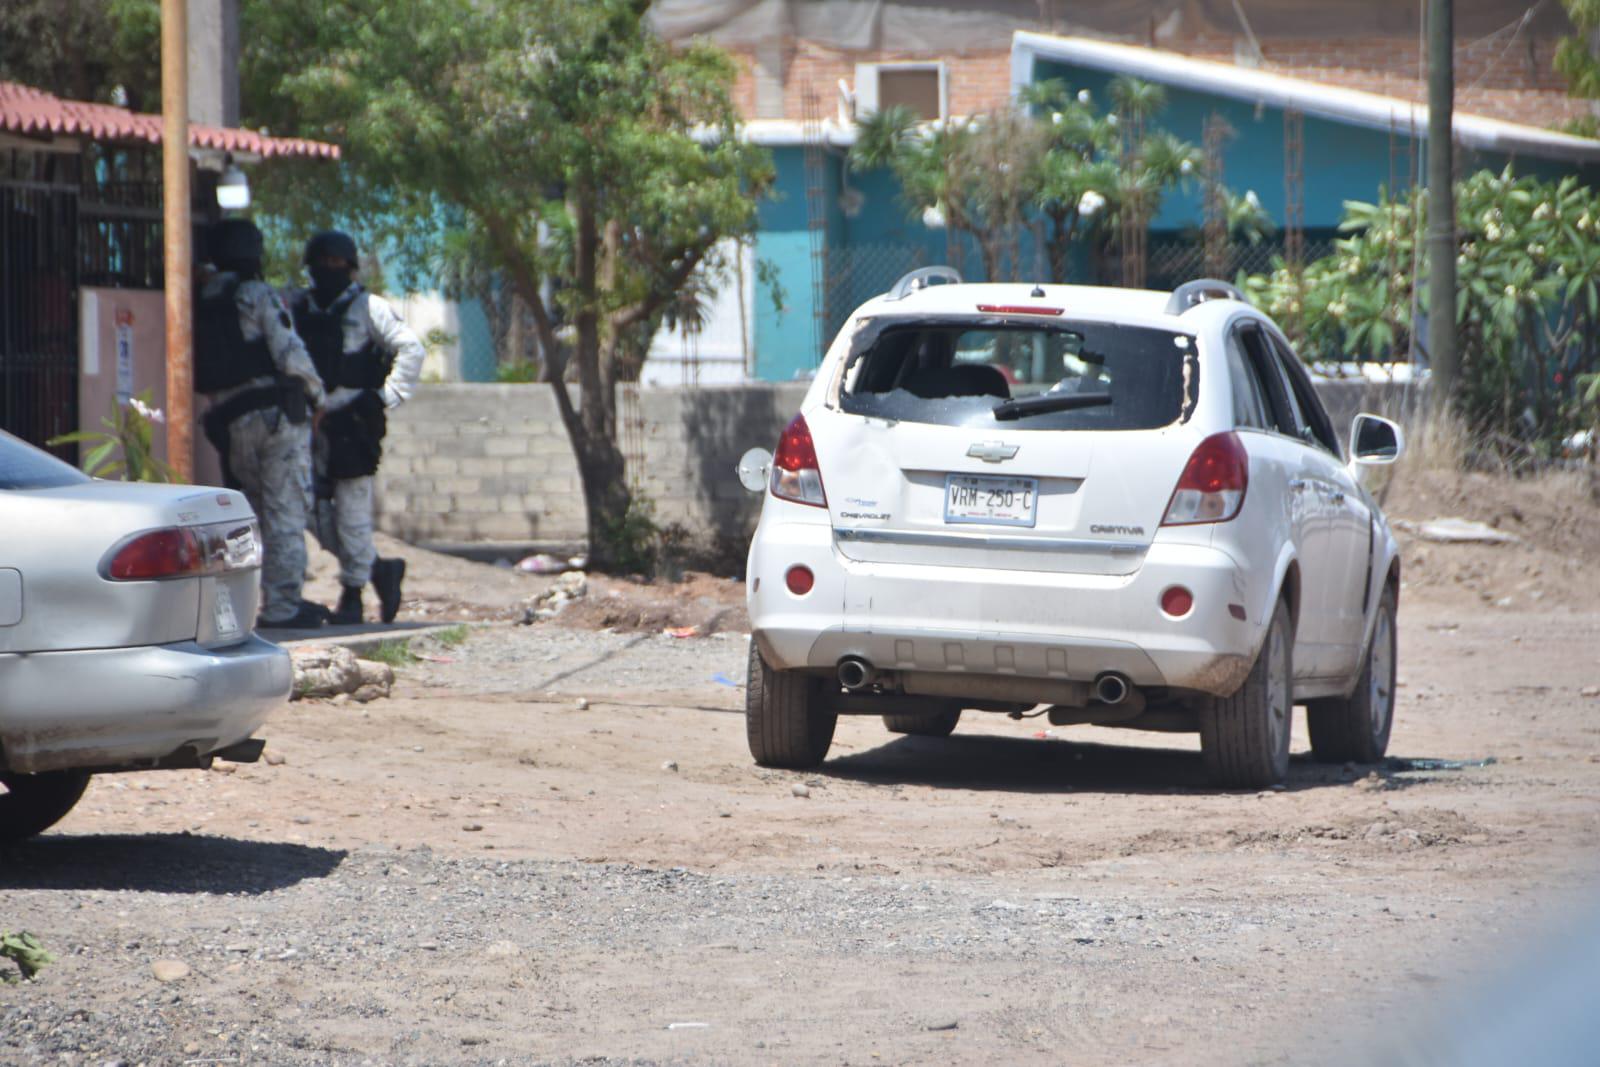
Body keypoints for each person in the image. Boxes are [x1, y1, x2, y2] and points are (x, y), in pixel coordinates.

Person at [194, 218, 327, 629]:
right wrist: (318, 397)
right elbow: (289, 353)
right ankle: (284, 607)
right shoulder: (257, 294)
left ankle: (237, 608)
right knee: (285, 512)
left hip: (230, 421)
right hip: (274, 417)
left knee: (248, 516)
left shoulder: (203, 296)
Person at [290, 230, 426, 625]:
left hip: (352, 420)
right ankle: (379, 569)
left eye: (338, 265)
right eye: (323, 264)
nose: (330, 271)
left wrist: (385, 397)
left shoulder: (369, 307)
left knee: (351, 513)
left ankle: (353, 594)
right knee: (310, 512)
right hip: (309, 419)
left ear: (350, 268)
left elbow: (410, 348)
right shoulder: (298, 306)